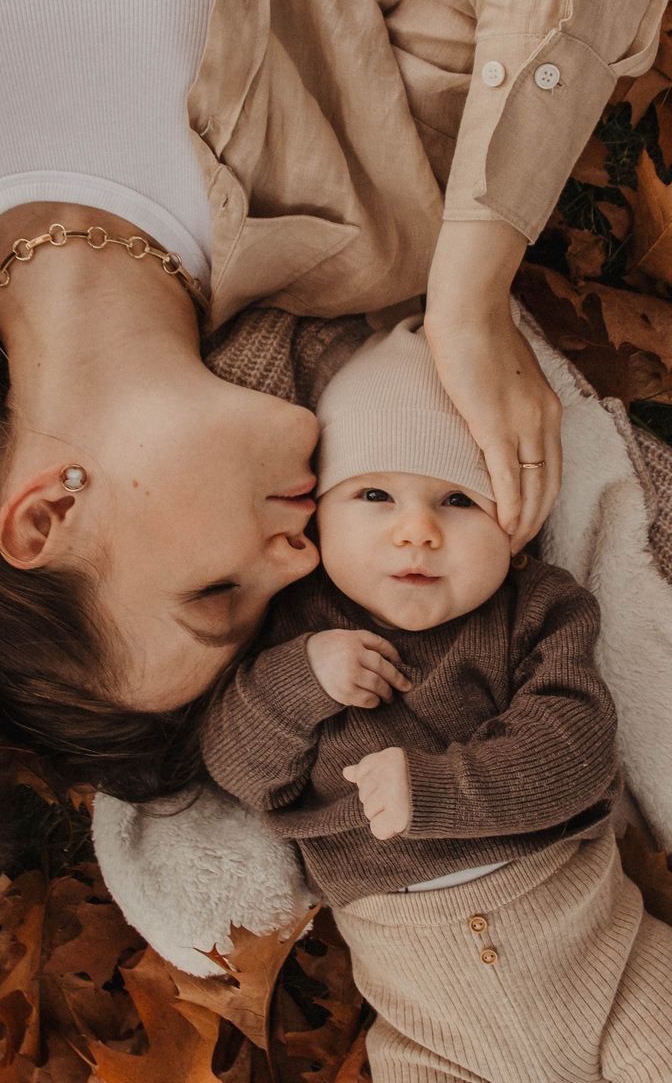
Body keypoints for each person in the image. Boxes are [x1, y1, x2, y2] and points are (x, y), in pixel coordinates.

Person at [0, 0, 667, 806]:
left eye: (215, 593)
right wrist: (470, 293)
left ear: (46, 514)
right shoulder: (368, 227)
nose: (304, 556)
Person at [201, 316, 672, 1082]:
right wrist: (301, 680)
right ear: (318, 511)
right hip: (436, 1032)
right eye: (375, 494)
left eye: (458, 500)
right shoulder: (291, 625)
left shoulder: (537, 609)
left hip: (606, 965)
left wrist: (437, 789)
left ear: (515, 531)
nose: (416, 530)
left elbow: (575, 750)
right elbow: (236, 764)